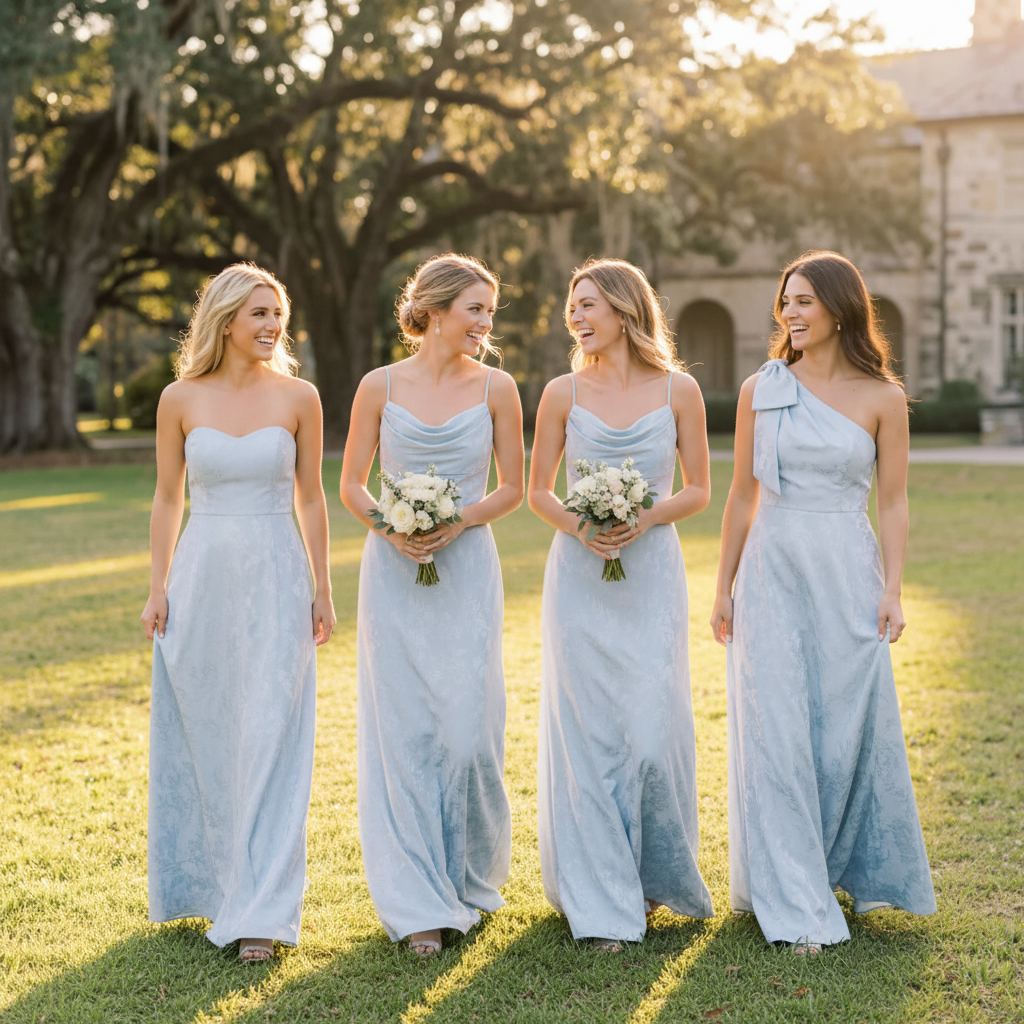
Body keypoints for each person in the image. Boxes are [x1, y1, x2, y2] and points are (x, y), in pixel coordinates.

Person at [710, 250, 937, 955]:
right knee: (775, 728)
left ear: (840, 308)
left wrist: (892, 588)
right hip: (774, 568)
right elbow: (744, 494)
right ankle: (794, 898)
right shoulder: (762, 387)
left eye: (804, 300)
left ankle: (840, 867)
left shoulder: (884, 398)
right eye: (785, 301)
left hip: (846, 569)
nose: (790, 313)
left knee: (844, 728)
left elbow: (893, 500)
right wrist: (723, 586)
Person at [141, 263, 335, 962]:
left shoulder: (300, 397)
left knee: (274, 734)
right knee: (215, 729)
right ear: (225, 319)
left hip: (278, 575)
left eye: (277, 313)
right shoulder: (179, 398)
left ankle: (265, 911)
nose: (271, 325)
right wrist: (158, 586)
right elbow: (168, 498)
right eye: (258, 313)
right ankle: (220, 886)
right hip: (204, 577)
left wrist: (322, 584)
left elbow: (311, 497)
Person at [527, 257, 715, 952]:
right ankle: (603, 896)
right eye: (572, 305)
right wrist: (583, 524)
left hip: (652, 575)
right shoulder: (560, 392)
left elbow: (699, 489)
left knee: (647, 734)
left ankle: (652, 874)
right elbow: (538, 490)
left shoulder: (680, 390)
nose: (575, 316)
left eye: (587, 304)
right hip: (579, 577)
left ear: (626, 311)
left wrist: (647, 516)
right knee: (590, 736)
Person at [340, 253, 523, 957]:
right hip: (393, 572)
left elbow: (512, 486)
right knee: (404, 732)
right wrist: (391, 525)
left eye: (489, 310)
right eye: (476, 308)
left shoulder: (498, 388)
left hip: (468, 569)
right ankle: (417, 902)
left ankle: (468, 881)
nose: (486, 322)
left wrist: (460, 520)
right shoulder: (377, 385)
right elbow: (353, 483)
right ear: (437, 311)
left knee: (468, 733)